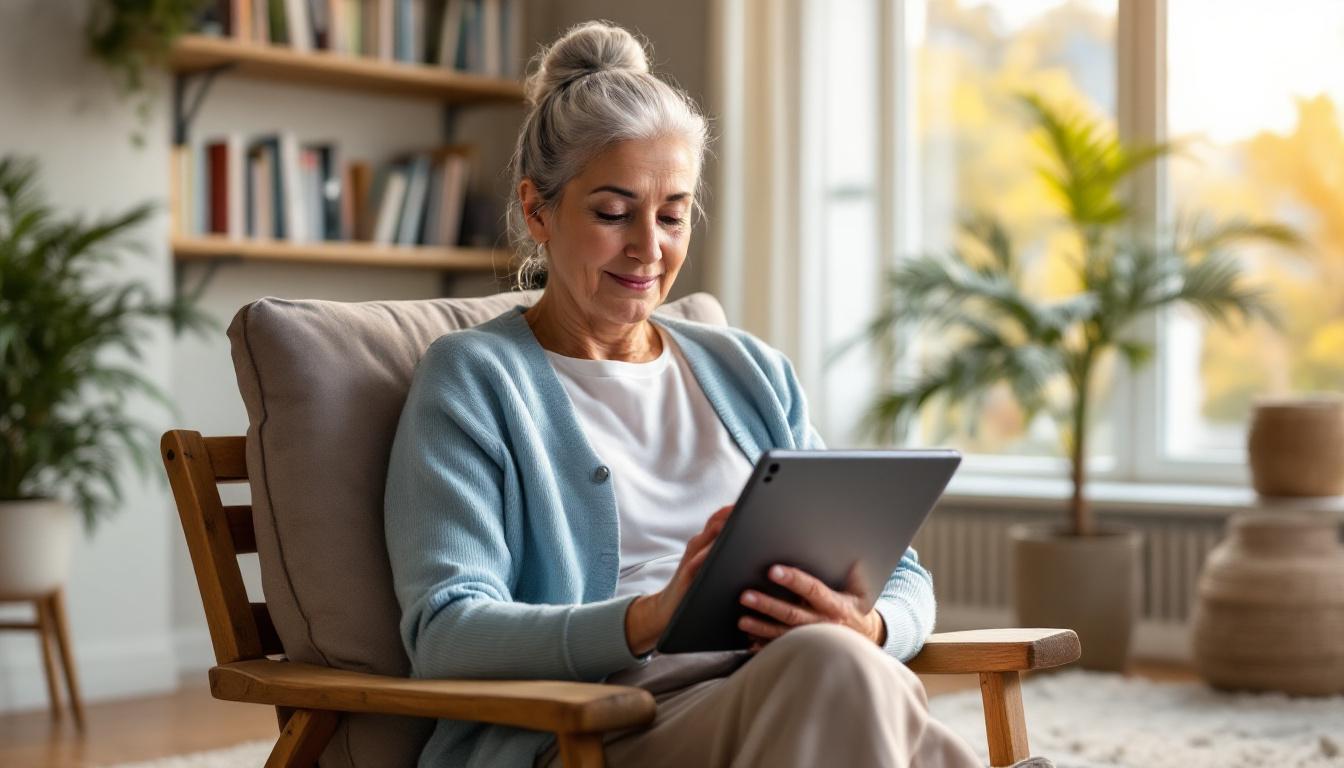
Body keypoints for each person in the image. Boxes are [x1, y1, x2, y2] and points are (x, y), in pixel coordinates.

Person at [385, 20, 1044, 768]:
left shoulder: (749, 370)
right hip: (599, 729)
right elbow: (445, 630)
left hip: (792, 694)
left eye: (671, 214)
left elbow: (901, 575)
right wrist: (647, 618)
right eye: (612, 212)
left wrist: (874, 628)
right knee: (834, 671)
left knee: (840, 662)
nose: (649, 247)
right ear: (538, 211)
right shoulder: (473, 380)